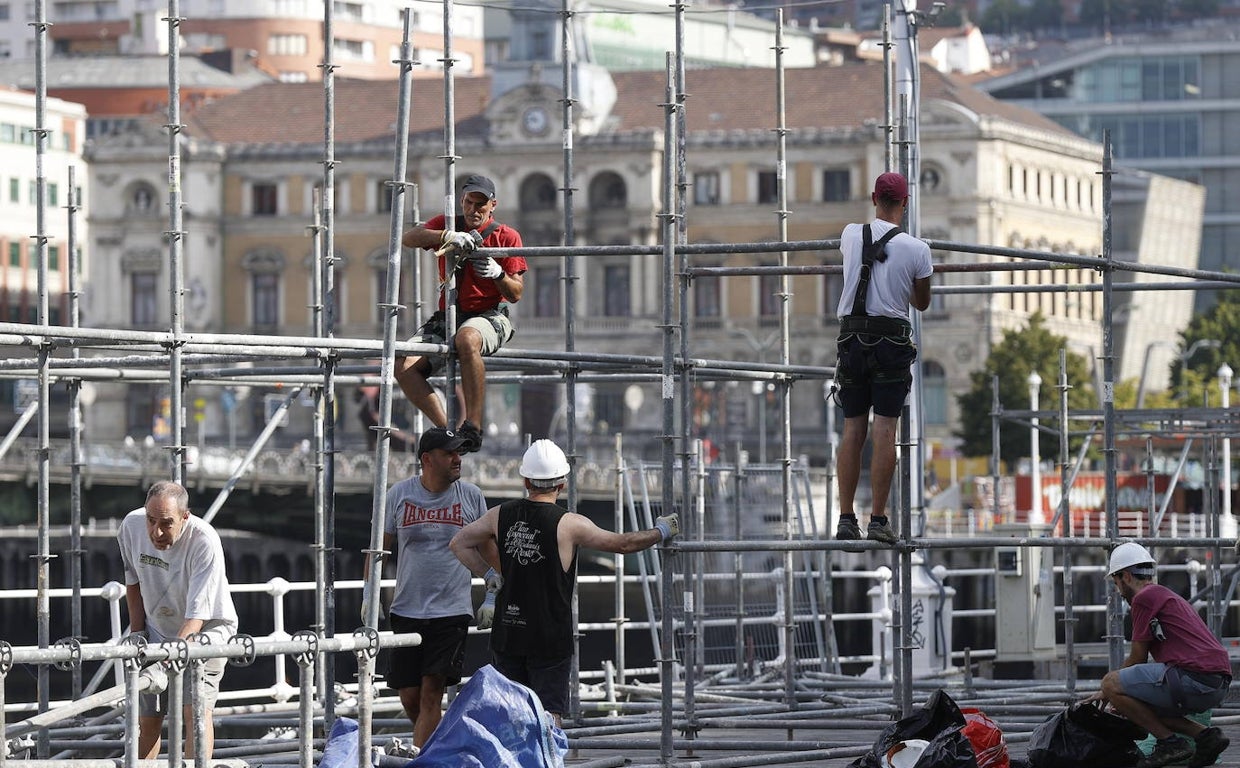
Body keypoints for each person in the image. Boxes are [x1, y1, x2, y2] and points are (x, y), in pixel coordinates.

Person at [449, 439, 679, 726]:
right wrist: (660, 531)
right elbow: (623, 544)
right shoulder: (570, 524)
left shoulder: (500, 515)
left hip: (508, 634)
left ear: (525, 480)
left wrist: (489, 576)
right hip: (549, 638)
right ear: (562, 484)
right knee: (548, 717)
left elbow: (459, 542)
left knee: (508, 716)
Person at [362, 425, 490, 748]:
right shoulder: (399, 495)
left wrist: (492, 593)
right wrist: (370, 593)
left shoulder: (471, 497)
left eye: (459, 453)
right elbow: (379, 549)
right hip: (407, 608)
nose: (457, 459)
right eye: (449, 454)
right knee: (409, 694)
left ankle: (421, 760)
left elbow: (489, 550)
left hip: (452, 611)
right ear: (427, 459)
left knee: (433, 692)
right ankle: (444, 745)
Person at [832, 171, 933, 544]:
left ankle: (845, 518)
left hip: (852, 339)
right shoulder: (918, 249)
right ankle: (877, 519)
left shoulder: (849, 234)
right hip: (890, 343)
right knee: (884, 430)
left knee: (852, 429)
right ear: (905, 203)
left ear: (874, 197)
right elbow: (920, 303)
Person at [397, 174, 527, 454]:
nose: (474, 210)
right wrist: (447, 235)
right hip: (449, 315)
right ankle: (450, 431)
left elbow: (515, 293)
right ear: (462, 202)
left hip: (490, 315)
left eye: (481, 205)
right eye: (469, 203)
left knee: (467, 340)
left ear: (493, 205)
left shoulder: (507, 236)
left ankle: (474, 425)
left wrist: (499, 274)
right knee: (404, 367)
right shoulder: (448, 225)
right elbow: (409, 237)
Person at [117, 481, 238, 760]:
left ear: (185, 517)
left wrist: (166, 664)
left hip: (207, 630)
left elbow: (197, 616)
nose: (155, 531)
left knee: (194, 712)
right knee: (147, 718)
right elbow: (132, 583)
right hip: (156, 628)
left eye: (166, 523)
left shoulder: (204, 540)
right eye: (151, 520)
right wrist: (138, 635)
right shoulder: (130, 526)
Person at [1088, 542, 1231, 768]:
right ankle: (1207, 736)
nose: (1118, 591)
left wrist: (1107, 690)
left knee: (1111, 682)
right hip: (1216, 681)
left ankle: (1170, 743)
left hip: (1195, 678)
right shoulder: (1163, 595)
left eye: (1116, 583)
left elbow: (1137, 658)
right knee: (1139, 705)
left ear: (1125, 576)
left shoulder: (1143, 598)